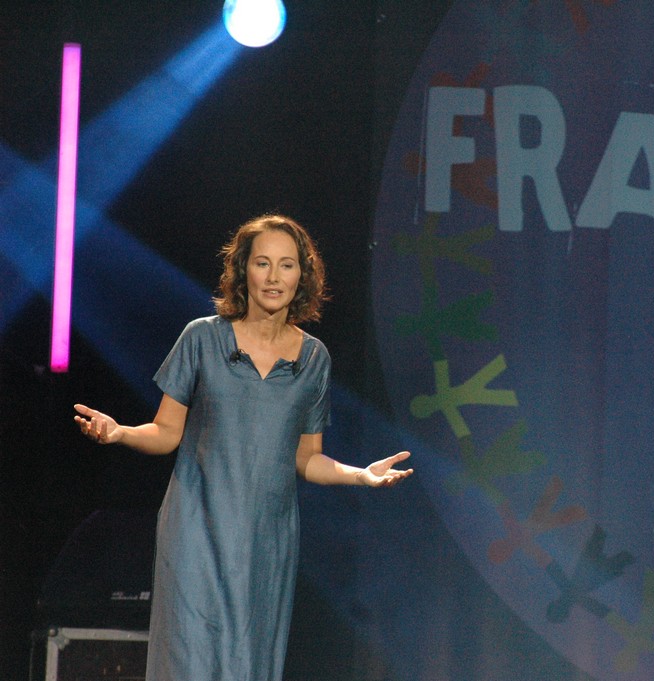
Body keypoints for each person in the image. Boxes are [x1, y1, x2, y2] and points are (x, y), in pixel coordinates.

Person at [73, 214, 412, 681]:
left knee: (247, 663)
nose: (274, 277)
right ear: (243, 271)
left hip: (267, 540)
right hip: (196, 528)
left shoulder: (314, 358)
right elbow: (167, 433)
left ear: (303, 275)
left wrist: (361, 474)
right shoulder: (202, 338)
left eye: (287, 265)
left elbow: (306, 457)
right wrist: (120, 433)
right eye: (263, 263)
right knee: (189, 658)